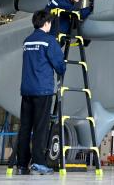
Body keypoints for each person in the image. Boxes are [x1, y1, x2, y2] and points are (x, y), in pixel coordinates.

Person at [17, 9, 66, 175]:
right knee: (40, 127)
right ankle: (38, 162)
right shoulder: (49, 41)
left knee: (25, 127)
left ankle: (22, 165)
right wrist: (62, 66)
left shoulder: (27, 41)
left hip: (26, 90)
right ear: (47, 23)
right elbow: (59, 65)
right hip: (42, 90)